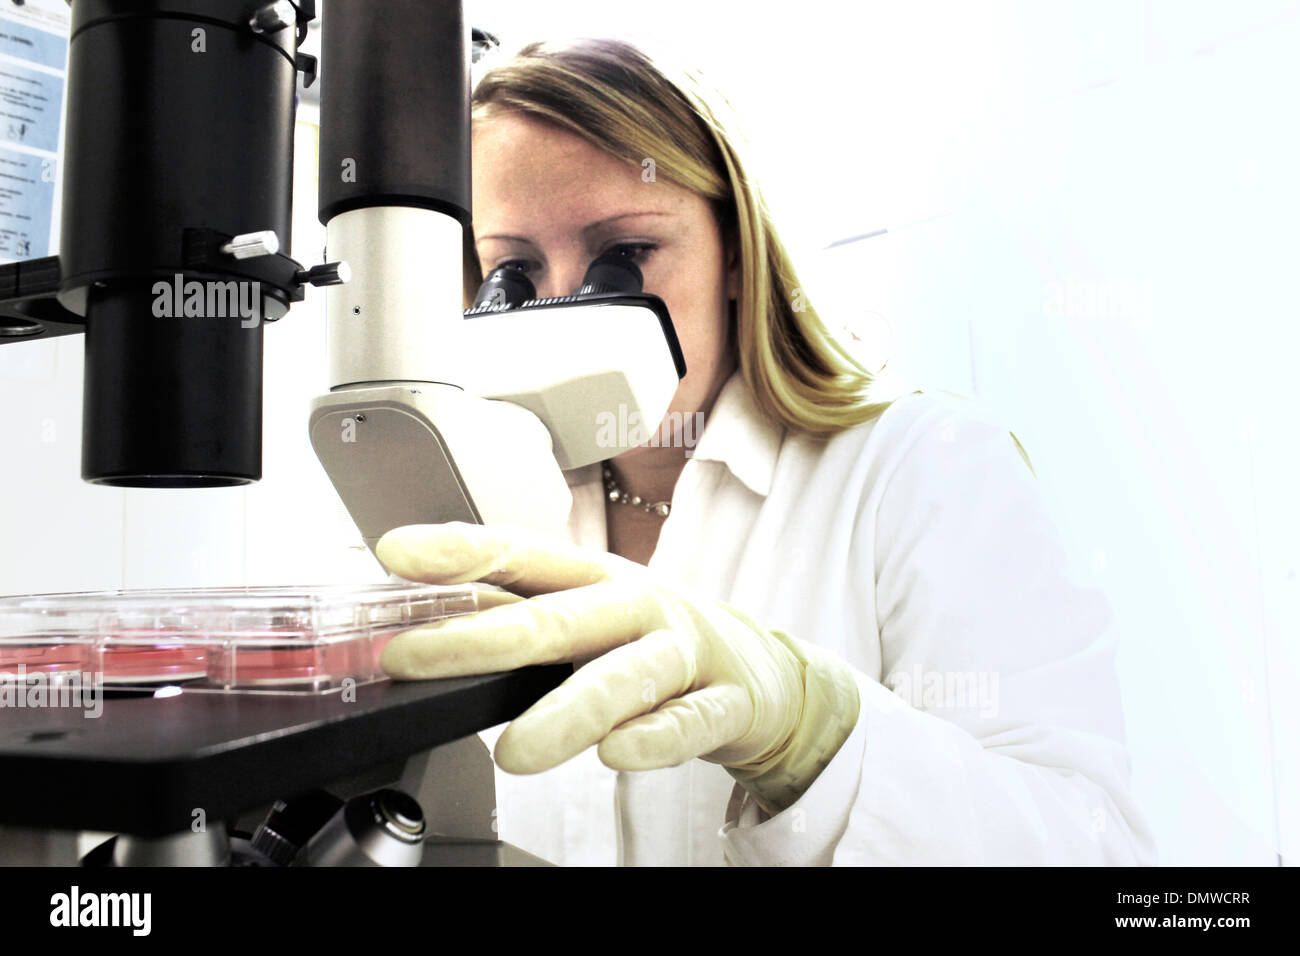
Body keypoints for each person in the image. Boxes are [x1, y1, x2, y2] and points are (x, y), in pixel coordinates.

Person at [374, 37, 1158, 866]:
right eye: (515, 272)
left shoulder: (926, 470)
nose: (564, 309)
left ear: (738, 257)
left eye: (624, 257)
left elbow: (1097, 848)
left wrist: (812, 735)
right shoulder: (479, 505)